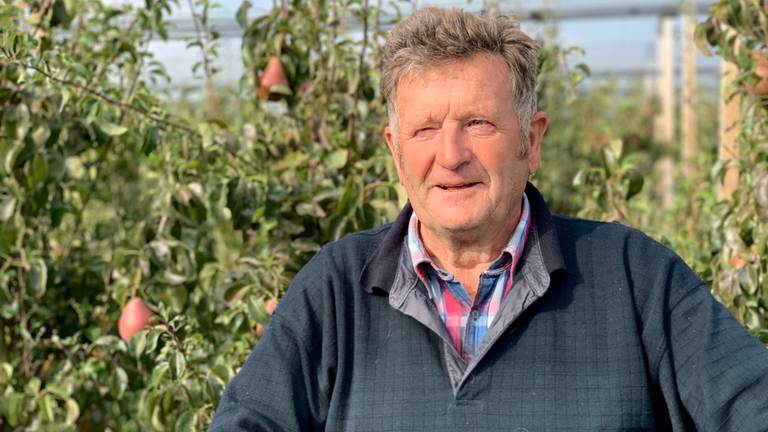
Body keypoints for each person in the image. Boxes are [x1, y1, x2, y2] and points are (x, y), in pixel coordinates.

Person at [209, 7, 768, 431]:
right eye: (425, 129)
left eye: (478, 123)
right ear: (395, 150)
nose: (451, 155)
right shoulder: (335, 291)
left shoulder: (634, 277)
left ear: (532, 139)